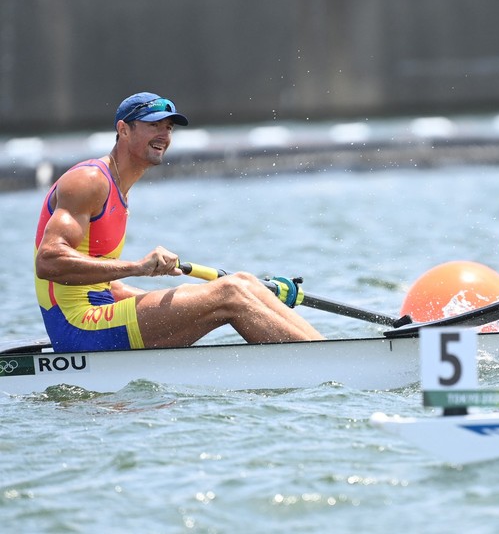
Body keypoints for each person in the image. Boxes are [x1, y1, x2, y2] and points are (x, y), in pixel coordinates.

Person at [34, 92, 323, 352]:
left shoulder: (119, 188)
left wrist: (184, 299)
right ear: (123, 129)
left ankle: (323, 350)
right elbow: (49, 261)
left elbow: (105, 286)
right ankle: (328, 364)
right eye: (153, 125)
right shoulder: (89, 181)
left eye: (168, 127)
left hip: (100, 310)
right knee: (230, 292)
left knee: (243, 282)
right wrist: (138, 268)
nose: (163, 134)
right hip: (79, 327)